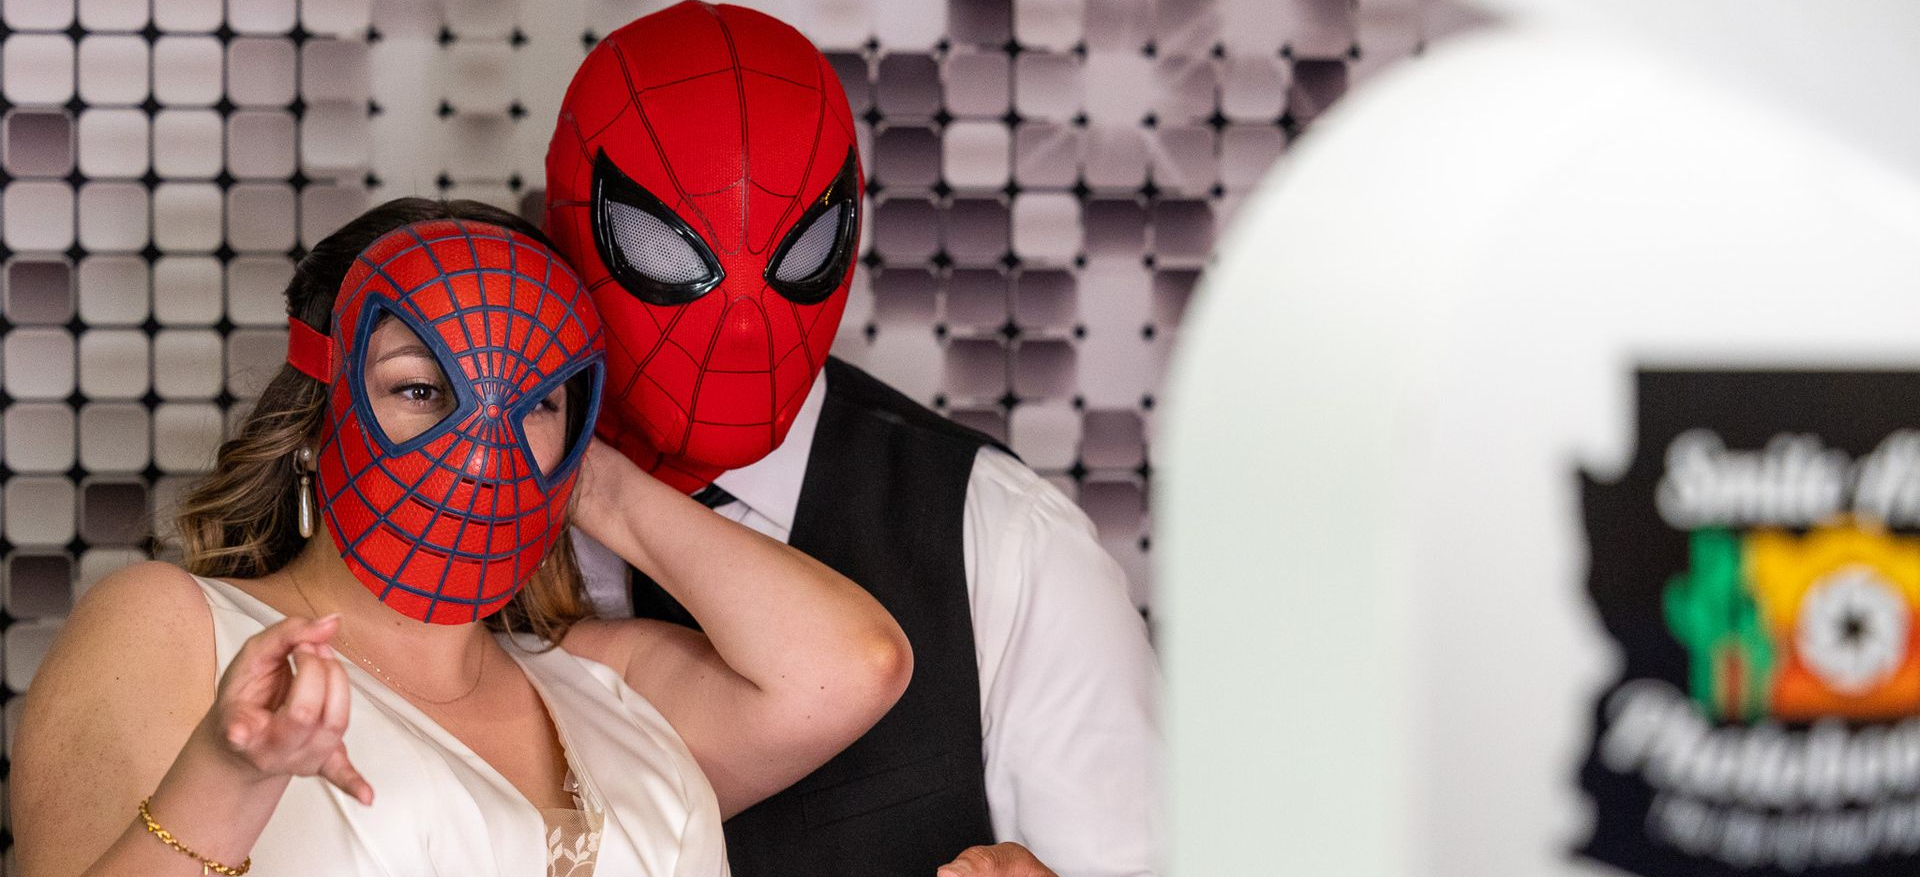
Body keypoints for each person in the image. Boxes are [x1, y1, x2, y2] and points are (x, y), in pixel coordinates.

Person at [11, 198, 912, 877]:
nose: (479, 439)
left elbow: (853, 666)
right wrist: (228, 774)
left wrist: (576, 472)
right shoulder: (179, 628)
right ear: (318, 411)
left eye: (536, 399)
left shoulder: (606, 684)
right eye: (419, 389)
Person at [543, 4, 1162, 876]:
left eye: (796, 247)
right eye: (663, 246)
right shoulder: (453, 522)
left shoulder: (1000, 542)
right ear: (569, 219)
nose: (745, 321)